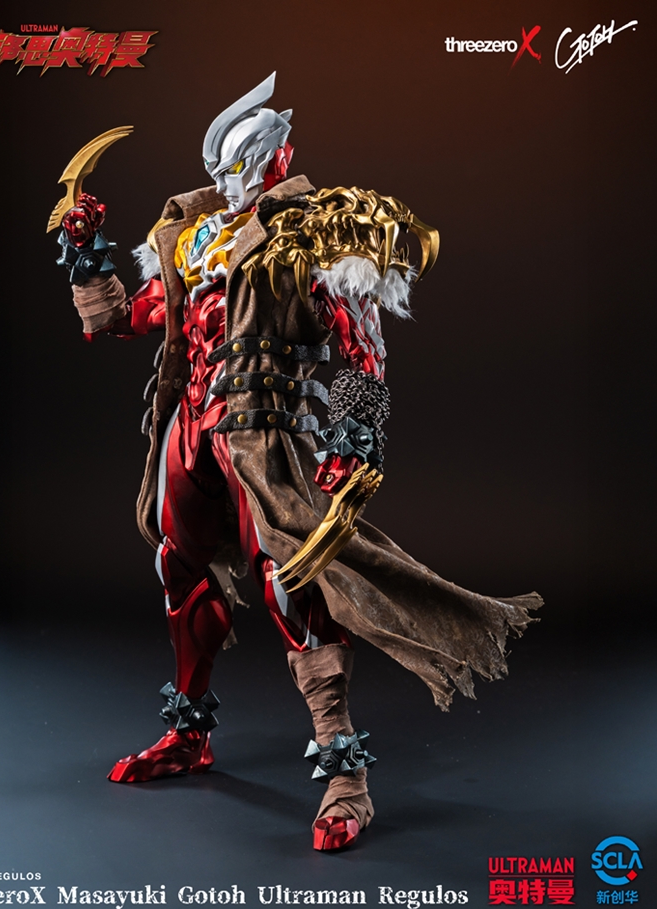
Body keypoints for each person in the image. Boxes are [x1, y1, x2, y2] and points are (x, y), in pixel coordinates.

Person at [54, 73, 541, 852]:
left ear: (275, 160)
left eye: (244, 167)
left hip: (265, 430)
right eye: (222, 171)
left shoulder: (312, 234)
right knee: (179, 569)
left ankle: (346, 776)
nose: (230, 183)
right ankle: (188, 734)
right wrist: (85, 253)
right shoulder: (193, 236)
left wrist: (354, 441)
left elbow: (363, 349)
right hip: (190, 430)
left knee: (292, 584)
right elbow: (128, 317)